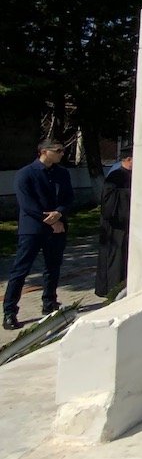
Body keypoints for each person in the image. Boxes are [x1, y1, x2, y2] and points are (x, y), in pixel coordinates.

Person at [3, 139, 74, 329]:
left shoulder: (62, 173)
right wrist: (54, 221)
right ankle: (10, 311)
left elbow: (68, 197)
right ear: (44, 151)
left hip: (57, 228)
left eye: (62, 150)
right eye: (58, 150)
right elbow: (28, 205)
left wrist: (60, 212)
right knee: (21, 270)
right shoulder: (25, 174)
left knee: (53, 267)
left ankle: (49, 302)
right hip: (33, 229)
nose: (61, 153)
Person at [95, 147, 133, 298]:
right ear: (128, 159)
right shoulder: (115, 177)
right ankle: (113, 290)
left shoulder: (133, 175)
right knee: (116, 260)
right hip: (116, 226)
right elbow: (109, 203)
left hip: (127, 225)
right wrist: (130, 194)